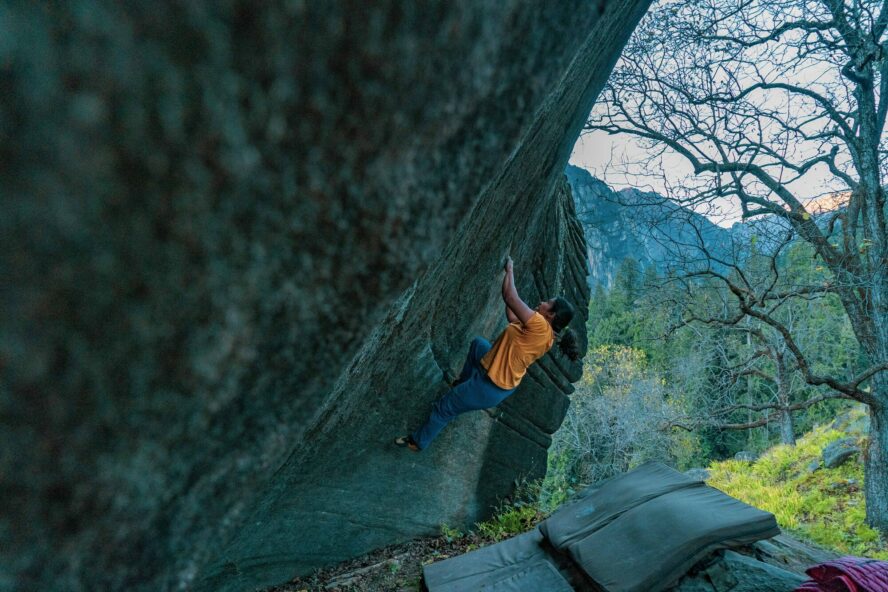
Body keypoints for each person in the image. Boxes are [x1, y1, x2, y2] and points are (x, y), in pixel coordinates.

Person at [395, 256, 580, 452]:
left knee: (446, 407)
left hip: (491, 386)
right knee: (478, 345)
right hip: (497, 375)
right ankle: (461, 384)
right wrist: (506, 278)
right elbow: (511, 315)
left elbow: (511, 298)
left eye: (547, 303)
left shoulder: (541, 326)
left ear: (551, 315)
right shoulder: (547, 334)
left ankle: (417, 442)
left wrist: (510, 270)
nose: (542, 302)